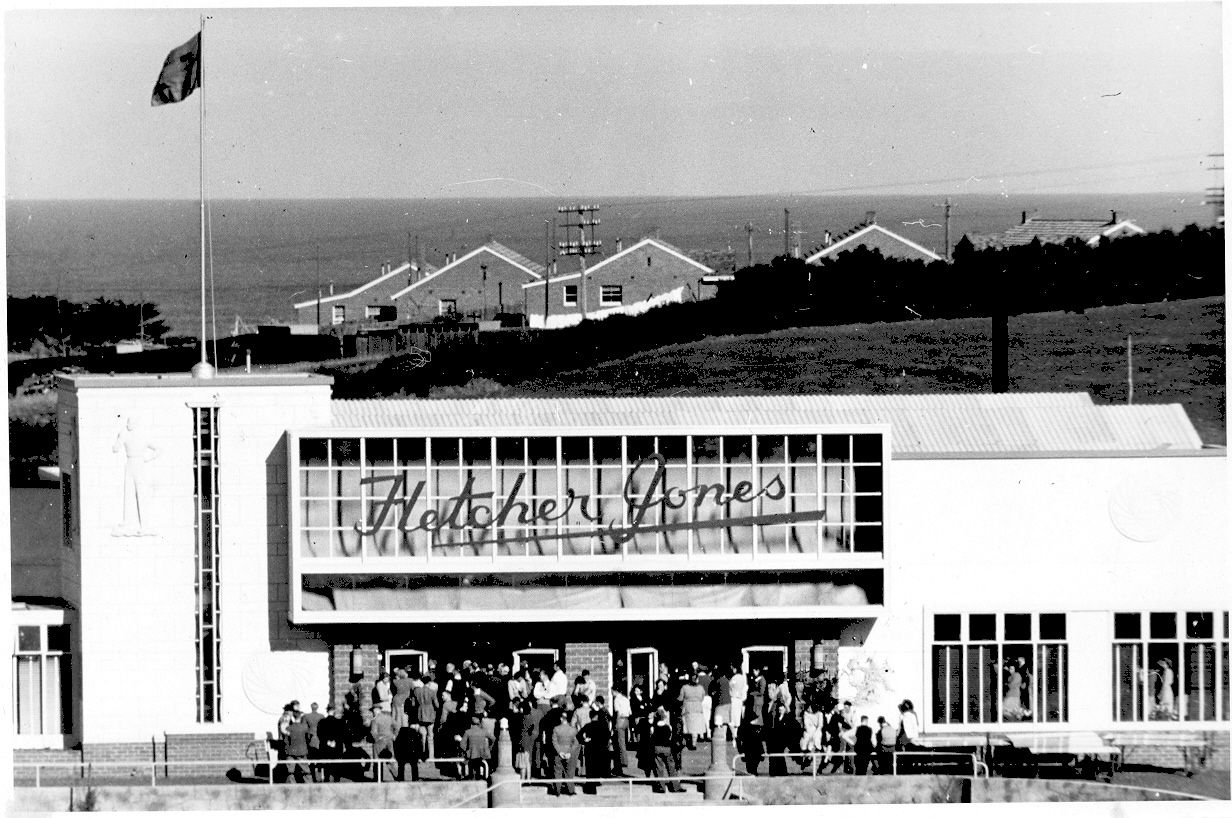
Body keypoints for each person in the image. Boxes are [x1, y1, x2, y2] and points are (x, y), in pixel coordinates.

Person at [578, 705, 611, 794]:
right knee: (598, 766)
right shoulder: (603, 726)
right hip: (601, 749)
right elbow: (608, 736)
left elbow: (579, 735)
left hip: (590, 749)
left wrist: (584, 740)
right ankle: (597, 781)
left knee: (590, 767)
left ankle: (590, 784)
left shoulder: (588, 726)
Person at [650, 707, 684, 793]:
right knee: (672, 768)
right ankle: (675, 786)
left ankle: (661, 787)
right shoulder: (668, 727)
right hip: (667, 748)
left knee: (659, 768)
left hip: (657, 748)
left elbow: (652, 738)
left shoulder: (653, 727)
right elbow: (670, 737)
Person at [549, 710, 579, 796]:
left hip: (559, 752)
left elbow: (554, 742)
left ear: (561, 718)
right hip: (569, 752)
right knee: (570, 772)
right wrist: (570, 752)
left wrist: (559, 751)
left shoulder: (556, 729)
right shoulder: (573, 730)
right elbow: (576, 743)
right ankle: (570, 790)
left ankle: (557, 790)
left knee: (557, 772)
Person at [764, 701, 796, 777]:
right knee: (773, 756)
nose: (780, 711)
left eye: (782, 709)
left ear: (785, 710)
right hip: (776, 740)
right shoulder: (775, 718)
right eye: (779, 710)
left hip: (783, 741)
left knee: (780, 757)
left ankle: (782, 773)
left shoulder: (788, 718)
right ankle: (773, 772)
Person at [316, 705, 346, 782]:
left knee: (326, 764)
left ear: (327, 711)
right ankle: (336, 780)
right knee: (336, 764)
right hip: (337, 747)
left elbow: (319, 734)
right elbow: (342, 735)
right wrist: (335, 742)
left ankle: (326, 779)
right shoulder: (339, 722)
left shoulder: (322, 722)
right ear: (334, 711)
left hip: (325, 746)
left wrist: (327, 742)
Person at [678, 674, 706, 750]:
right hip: (698, 708)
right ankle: (693, 743)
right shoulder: (700, 688)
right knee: (695, 728)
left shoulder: (685, 687)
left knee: (687, 727)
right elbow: (702, 698)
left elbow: (680, 698)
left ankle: (687, 742)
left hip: (688, 709)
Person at [369, 706, 396, 782]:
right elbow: (396, 726)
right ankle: (398, 777)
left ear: (375, 710)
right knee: (390, 760)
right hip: (389, 741)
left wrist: (377, 739)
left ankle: (378, 779)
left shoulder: (374, 720)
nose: (372, 713)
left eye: (373, 711)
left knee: (377, 761)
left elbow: (373, 732)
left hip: (379, 742)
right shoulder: (388, 717)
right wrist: (394, 735)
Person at [825, 701, 853, 774]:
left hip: (838, 738)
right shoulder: (834, 717)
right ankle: (827, 761)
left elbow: (849, 726)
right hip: (833, 737)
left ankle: (832, 766)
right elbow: (829, 727)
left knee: (839, 756)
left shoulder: (840, 717)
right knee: (835, 754)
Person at [284, 708, 311, 783]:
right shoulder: (305, 728)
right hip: (302, 751)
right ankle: (310, 786)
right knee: (306, 771)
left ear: (293, 717)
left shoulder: (289, 728)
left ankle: (291, 786)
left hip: (291, 751)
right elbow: (308, 738)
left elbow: (286, 741)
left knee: (290, 771)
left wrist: (287, 751)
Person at [462, 715, 493, 780]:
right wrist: (489, 748)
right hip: (481, 754)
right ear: (479, 723)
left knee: (470, 772)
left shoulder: (468, 732)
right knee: (479, 771)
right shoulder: (483, 731)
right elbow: (493, 739)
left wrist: (466, 750)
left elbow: (462, 744)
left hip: (471, 755)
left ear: (471, 724)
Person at [610, 687, 632, 776]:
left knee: (619, 743)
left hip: (620, 720)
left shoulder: (616, 699)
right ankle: (619, 765)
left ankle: (623, 761)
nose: (611, 693)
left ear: (615, 691)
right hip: (626, 720)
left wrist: (615, 725)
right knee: (622, 742)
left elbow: (617, 712)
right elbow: (630, 712)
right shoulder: (626, 699)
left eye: (612, 691)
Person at [302, 702, 325, 782]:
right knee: (320, 759)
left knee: (311, 760)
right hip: (319, 740)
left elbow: (304, 729)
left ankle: (314, 777)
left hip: (311, 740)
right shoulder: (321, 716)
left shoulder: (306, 716)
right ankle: (321, 776)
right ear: (317, 707)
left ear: (311, 707)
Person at [801, 699, 826, 771]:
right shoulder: (806, 713)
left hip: (817, 731)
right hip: (809, 731)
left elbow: (820, 725)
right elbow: (806, 724)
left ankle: (808, 758)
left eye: (809, 707)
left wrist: (815, 731)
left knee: (816, 738)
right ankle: (808, 757)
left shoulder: (819, 714)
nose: (808, 709)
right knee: (808, 740)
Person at [729, 665, 748, 738]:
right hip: (740, 699)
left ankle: (734, 734)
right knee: (737, 718)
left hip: (733, 698)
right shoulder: (743, 678)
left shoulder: (734, 678)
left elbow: (730, 687)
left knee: (732, 718)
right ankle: (735, 734)